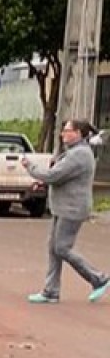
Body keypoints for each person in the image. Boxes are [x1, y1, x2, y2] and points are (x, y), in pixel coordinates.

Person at [26, 118, 109, 304]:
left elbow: (53, 176)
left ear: (79, 134)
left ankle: (98, 278)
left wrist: (30, 167)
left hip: (72, 208)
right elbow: (61, 176)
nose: (63, 133)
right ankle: (51, 291)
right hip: (63, 206)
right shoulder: (74, 152)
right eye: (63, 130)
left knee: (62, 247)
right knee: (53, 248)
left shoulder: (79, 154)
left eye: (67, 130)